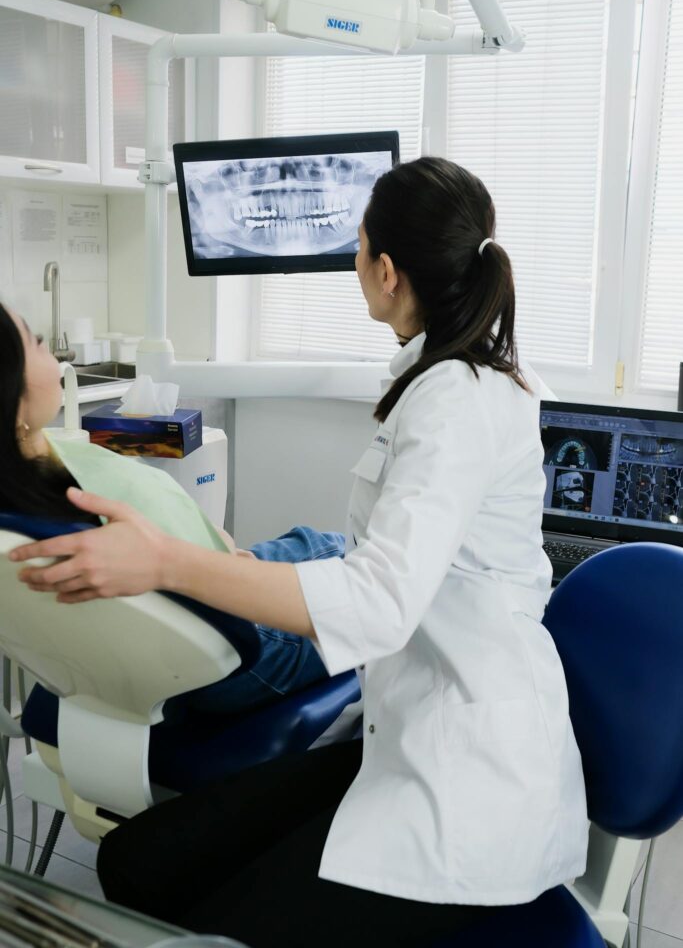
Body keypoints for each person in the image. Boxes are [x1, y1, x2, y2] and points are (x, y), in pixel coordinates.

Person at [10, 158, 589, 948]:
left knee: (196, 913)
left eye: (356, 248)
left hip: (467, 777)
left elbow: (379, 603)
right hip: (403, 726)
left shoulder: (459, 400)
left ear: (385, 271)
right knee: (139, 863)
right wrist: (234, 568)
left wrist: (168, 562)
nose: (355, 264)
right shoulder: (440, 377)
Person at [0, 301, 343, 715]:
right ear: (10, 394)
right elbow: (202, 575)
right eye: (35, 342)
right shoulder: (89, 494)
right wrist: (219, 547)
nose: (50, 352)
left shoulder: (25, 483)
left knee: (307, 543)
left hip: (151, 647)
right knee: (342, 560)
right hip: (227, 657)